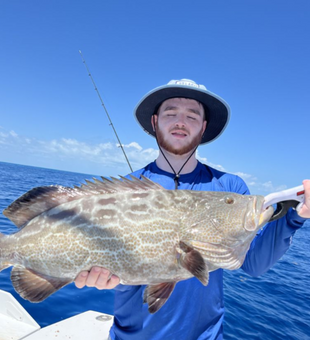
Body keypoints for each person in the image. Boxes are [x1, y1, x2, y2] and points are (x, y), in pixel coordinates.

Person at [75, 79, 310, 340]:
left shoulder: (229, 187)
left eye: (192, 115)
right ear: (155, 122)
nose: (180, 121)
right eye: (171, 113)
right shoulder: (126, 191)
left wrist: (294, 216)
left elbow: (253, 263)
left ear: (203, 127)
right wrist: (97, 276)